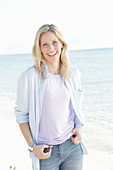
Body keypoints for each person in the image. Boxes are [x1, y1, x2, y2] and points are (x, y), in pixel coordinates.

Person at [14, 24, 87, 170]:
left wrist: (79, 127)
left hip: (72, 147)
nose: (51, 49)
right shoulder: (29, 77)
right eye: (45, 45)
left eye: (54, 43)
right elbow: (21, 116)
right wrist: (33, 146)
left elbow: (77, 106)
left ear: (62, 44)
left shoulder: (73, 73)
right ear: (39, 49)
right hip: (46, 152)